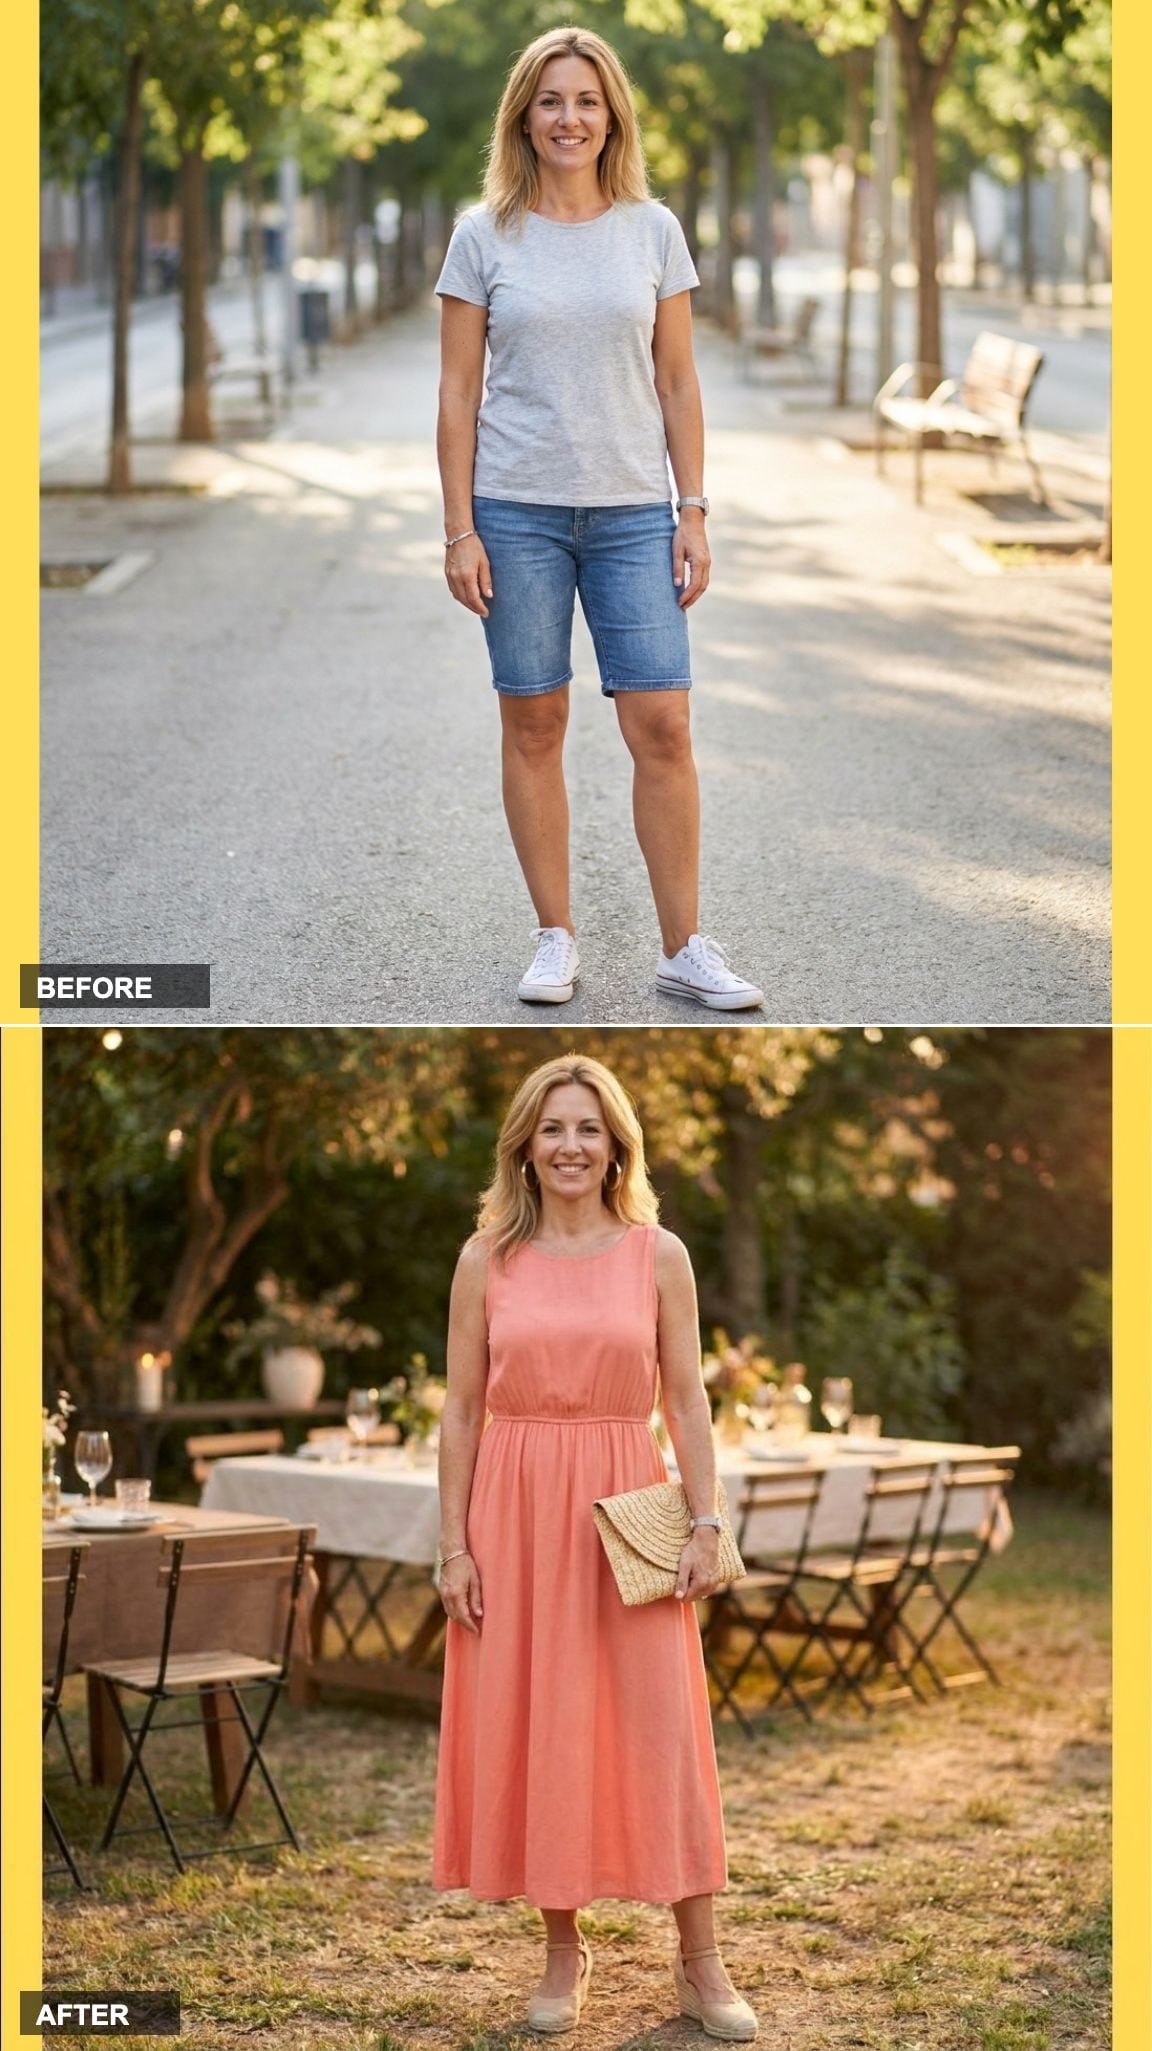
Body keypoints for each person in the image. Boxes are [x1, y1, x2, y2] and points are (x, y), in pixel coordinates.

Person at [435, 27, 763, 1014]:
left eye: (586, 100)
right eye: (550, 101)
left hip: (631, 512)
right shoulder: (483, 233)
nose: (569, 118)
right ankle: (554, 936)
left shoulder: (652, 229)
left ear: (611, 113)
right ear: (523, 119)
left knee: (662, 723)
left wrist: (693, 508)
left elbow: (677, 378)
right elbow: (456, 392)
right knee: (534, 721)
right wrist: (460, 528)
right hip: (516, 511)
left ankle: (685, 946)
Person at [433, 1054, 759, 2040]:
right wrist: (453, 1545)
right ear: (524, 1147)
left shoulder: (659, 1252)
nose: (570, 1145)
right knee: (545, 1721)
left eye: (588, 1127)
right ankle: (561, 1952)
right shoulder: (484, 1257)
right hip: (516, 1510)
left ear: (617, 1143)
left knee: (662, 1723)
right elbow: (457, 1410)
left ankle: (702, 1962)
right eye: (552, 1127)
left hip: (630, 1499)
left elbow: (688, 1398)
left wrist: (707, 1519)